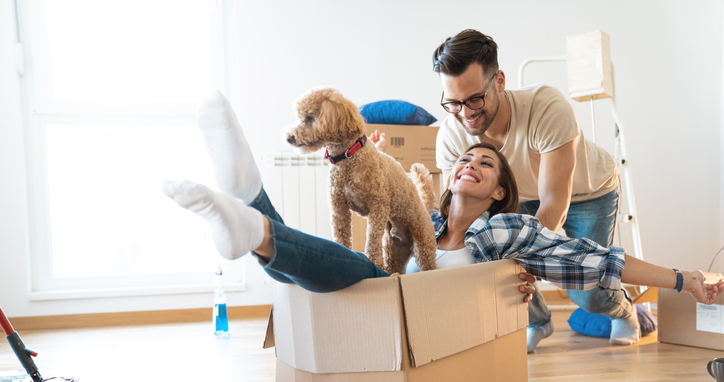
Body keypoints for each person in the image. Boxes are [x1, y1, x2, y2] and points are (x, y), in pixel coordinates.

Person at [162, 92, 723, 328]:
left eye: (487, 165)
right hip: (382, 307)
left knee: (363, 273)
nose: (470, 164)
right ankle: (249, 201)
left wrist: (686, 279)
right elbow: (378, 211)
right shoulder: (424, 220)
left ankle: (253, 213)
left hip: (426, 323)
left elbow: (601, 260)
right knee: (354, 265)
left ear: (500, 191)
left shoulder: (508, 232)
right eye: (465, 160)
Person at [432, 29, 627, 351]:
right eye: (453, 103)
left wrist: (530, 261)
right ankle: (538, 321)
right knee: (493, 264)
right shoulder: (451, 134)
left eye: (475, 99)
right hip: (515, 197)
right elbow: (455, 211)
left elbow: (554, 201)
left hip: (586, 193)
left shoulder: (545, 107)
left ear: (500, 81)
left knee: (585, 289)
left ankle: (625, 311)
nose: (465, 114)